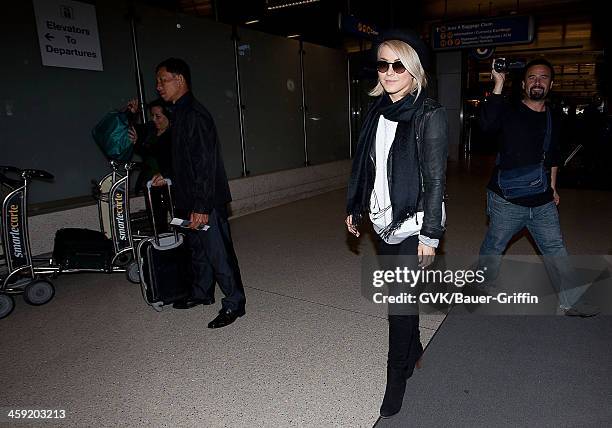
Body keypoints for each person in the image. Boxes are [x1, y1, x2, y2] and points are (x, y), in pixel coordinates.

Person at [345, 30, 448, 418]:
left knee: (398, 305)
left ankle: (396, 378)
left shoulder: (429, 114)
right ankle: (416, 346)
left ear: (414, 70)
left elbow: (437, 181)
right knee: (400, 294)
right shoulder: (376, 112)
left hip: (414, 221)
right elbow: (366, 167)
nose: (388, 72)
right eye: (383, 64)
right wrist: (355, 206)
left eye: (398, 65)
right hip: (382, 219)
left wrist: (431, 234)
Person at [477, 58, 599, 317]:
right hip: (506, 198)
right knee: (494, 245)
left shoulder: (553, 118)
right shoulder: (509, 111)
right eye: (532, 77)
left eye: (543, 77)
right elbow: (486, 126)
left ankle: (572, 301)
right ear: (523, 83)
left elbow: (552, 156)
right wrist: (498, 84)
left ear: (551, 84)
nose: (537, 82)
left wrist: (553, 188)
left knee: (556, 248)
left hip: (542, 200)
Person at [154, 57, 246, 328]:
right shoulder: (179, 114)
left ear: (179, 79)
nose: (159, 86)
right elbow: (187, 159)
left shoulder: (194, 114)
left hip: (206, 200)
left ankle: (234, 303)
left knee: (219, 253)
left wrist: (203, 206)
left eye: (163, 80)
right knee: (198, 250)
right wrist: (168, 174)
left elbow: (206, 164)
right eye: (157, 82)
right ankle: (202, 292)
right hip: (189, 197)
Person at [127, 98, 173, 233]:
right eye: (152, 116)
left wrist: (139, 144)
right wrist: (131, 114)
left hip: (169, 181)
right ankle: (162, 246)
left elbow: (156, 151)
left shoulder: (174, 134)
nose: (154, 119)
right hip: (150, 182)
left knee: (178, 216)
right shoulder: (151, 129)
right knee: (156, 221)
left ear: (168, 116)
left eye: (158, 116)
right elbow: (132, 129)